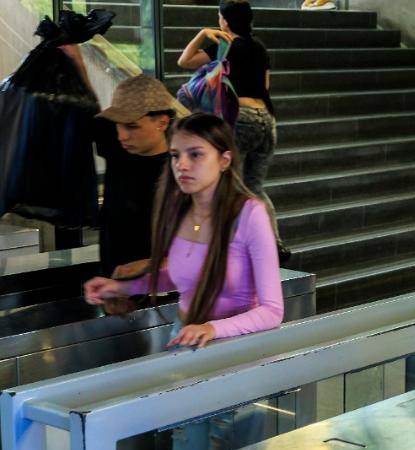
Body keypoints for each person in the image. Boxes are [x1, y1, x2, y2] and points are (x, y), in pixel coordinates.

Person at [81, 113, 283, 448]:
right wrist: (121, 287)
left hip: (236, 351)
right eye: (176, 155)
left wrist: (214, 329)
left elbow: (273, 311)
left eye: (196, 154)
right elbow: (179, 276)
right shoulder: (177, 207)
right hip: (186, 341)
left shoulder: (249, 214)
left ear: (224, 159)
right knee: (186, 440)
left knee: (227, 440)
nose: (182, 165)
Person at [177, 1, 277, 225]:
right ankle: (274, 243)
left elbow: (184, 61)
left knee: (230, 186)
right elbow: (266, 85)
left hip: (240, 118)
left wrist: (203, 33)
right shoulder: (260, 47)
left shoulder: (225, 44)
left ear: (225, 20)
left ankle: (230, 242)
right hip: (266, 119)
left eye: (219, 16)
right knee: (255, 188)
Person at [90, 75, 176, 277]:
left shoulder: (180, 170)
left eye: (132, 126)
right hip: (112, 281)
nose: (121, 136)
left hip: (158, 288)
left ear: (162, 123)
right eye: (117, 125)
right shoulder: (118, 146)